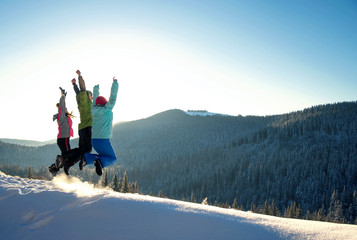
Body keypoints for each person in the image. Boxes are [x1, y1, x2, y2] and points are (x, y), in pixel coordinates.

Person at [84, 77, 119, 176]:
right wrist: (115, 83)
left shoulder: (93, 110)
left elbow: (95, 100)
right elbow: (113, 97)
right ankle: (99, 162)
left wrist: (95, 89)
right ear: (104, 103)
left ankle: (86, 158)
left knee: (103, 155)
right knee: (112, 158)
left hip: (94, 140)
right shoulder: (107, 109)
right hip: (103, 140)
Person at [62, 70, 93, 175]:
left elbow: (78, 91)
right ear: (88, 96)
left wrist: (74, 84)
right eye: (91, 96)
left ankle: (67, 161)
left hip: (82, 128)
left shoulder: (80, 100)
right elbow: (83, 88)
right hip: (88, 127)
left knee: (81, 149)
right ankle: (77, 160)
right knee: (87, 149)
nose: (92, 98)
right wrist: (79, 77)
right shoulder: (85, 99)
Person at [48, 87, 74, 176]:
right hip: (63, 138)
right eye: (64, 108)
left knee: (67, 156)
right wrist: (63, 96)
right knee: (68, 156)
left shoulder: (65, 117)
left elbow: (62, 108)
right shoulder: (61, 116)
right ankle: (55, 167)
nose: (66, 109)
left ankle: (54, 168)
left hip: (64, 138)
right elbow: (62, 107)